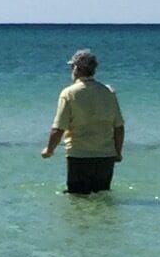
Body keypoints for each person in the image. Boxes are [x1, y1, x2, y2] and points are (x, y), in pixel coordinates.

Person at [41, 49, 125, 193]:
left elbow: (59, 128)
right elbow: (119, 127)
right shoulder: (108, 92)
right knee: (102, 197)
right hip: (105, 157)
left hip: (79, 156)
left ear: (77, 69)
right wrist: (117, 152)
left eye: (72, 67)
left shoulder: (69, 93)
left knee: (77, 197)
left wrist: (49, 150)